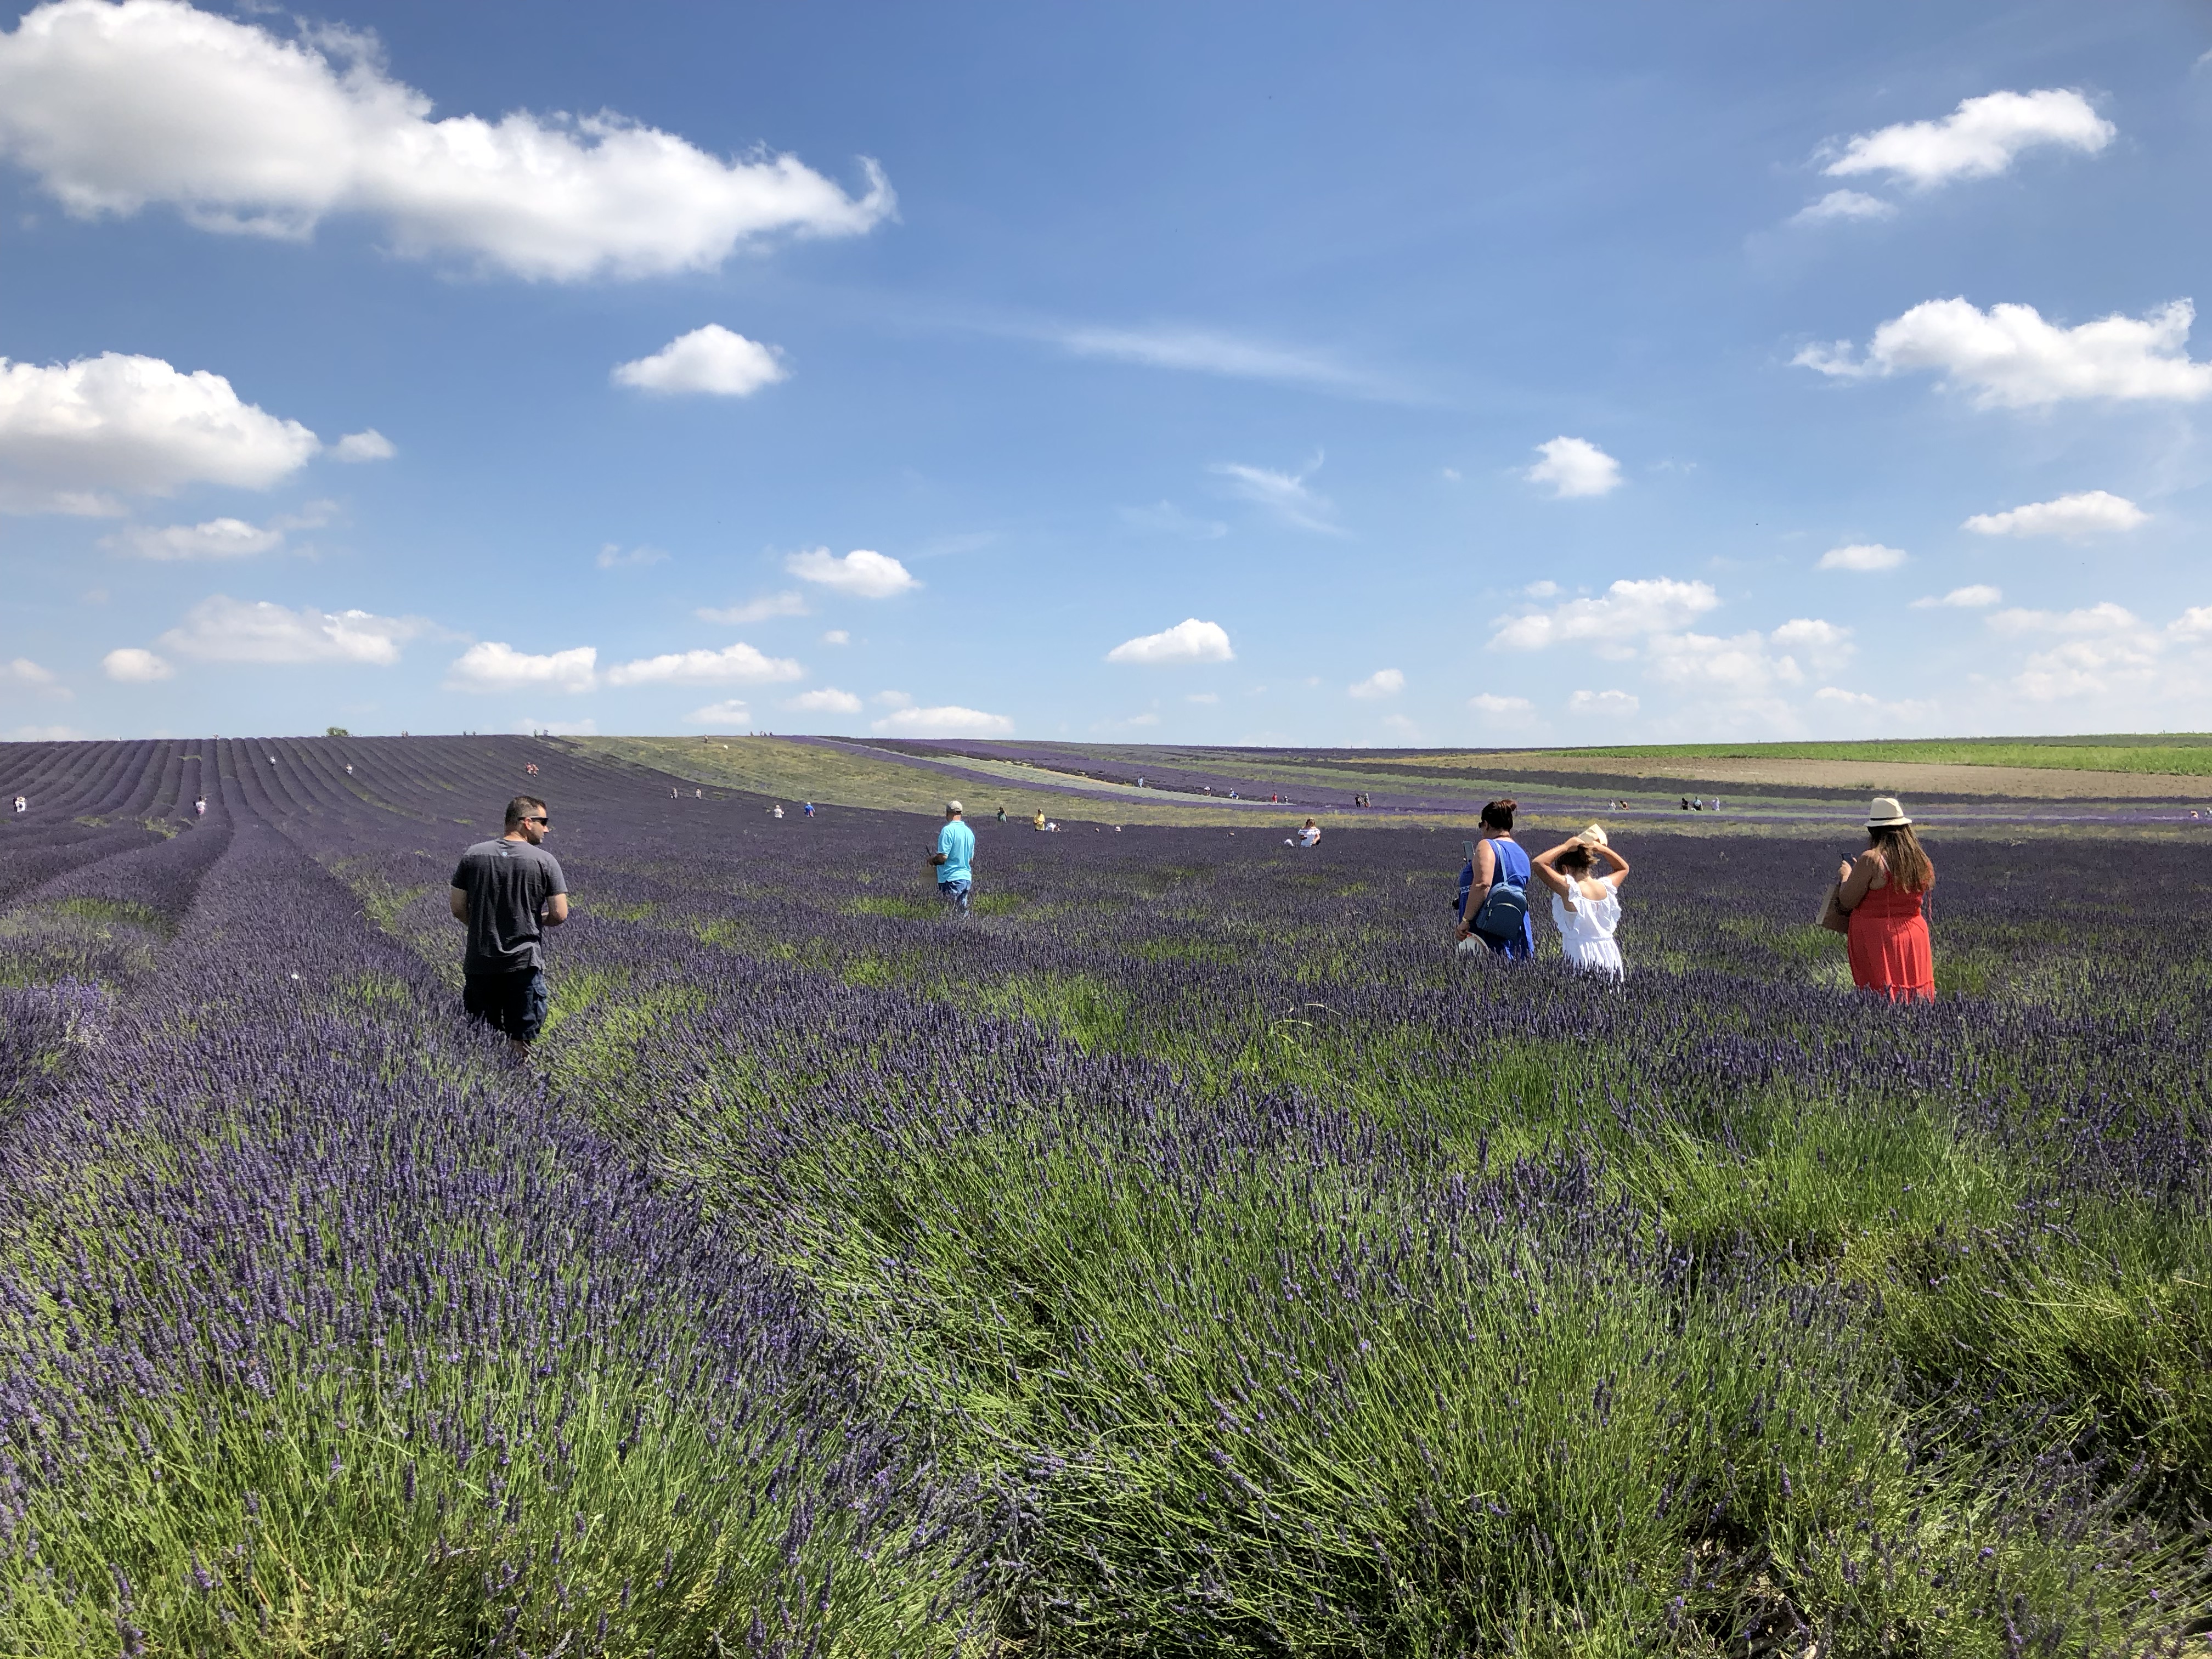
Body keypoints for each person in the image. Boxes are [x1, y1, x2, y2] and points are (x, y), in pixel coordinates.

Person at [449, 796, 568, 1057]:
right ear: (527, 822)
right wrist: (536, 921)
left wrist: (483, 925)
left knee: (482, 1037)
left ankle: (487, 1088)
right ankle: (520, 1087)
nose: (546, 829)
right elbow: (560, 914)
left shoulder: (474, 855)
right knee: (521, 1036)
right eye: (543, 822)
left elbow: (458, 908)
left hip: (481, 961)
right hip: (523, 964)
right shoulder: (544, 861)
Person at [1836, 797, 1934, 1002]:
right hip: (1914, 935)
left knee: (1881, 995)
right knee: (1916, 996)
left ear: (1874, 830)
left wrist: (1847, 875)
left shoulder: (1872, 859)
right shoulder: (1921, 860)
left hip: (1880, 939)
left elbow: (1847, 900)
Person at [1532, 826, 1629, 978]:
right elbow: (1623, 868)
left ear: (1565, 869)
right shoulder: (1606, 887)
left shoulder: (1571, 890)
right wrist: (1602, 850)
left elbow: (1538, 864)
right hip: (1610, 953)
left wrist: (1565, 847)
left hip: (1582, 954)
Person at [1456, 799, 1534, 959]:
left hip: (1487, 925)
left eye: (1481, 825)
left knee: (1484, 974)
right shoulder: (1521, 853)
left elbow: (1483, 884)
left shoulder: (1487, 845)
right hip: (1514, 924)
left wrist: (1466, 919)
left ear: (1487, 824)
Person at [931, 800, 975, 916]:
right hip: (966, 878)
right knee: (962, 915)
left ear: (948, 813)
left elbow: (943, 857)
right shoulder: (969, 833)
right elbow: (970, 860)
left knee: (948, 913)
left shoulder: (948, 831)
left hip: (951, 879)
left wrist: (932, 861)